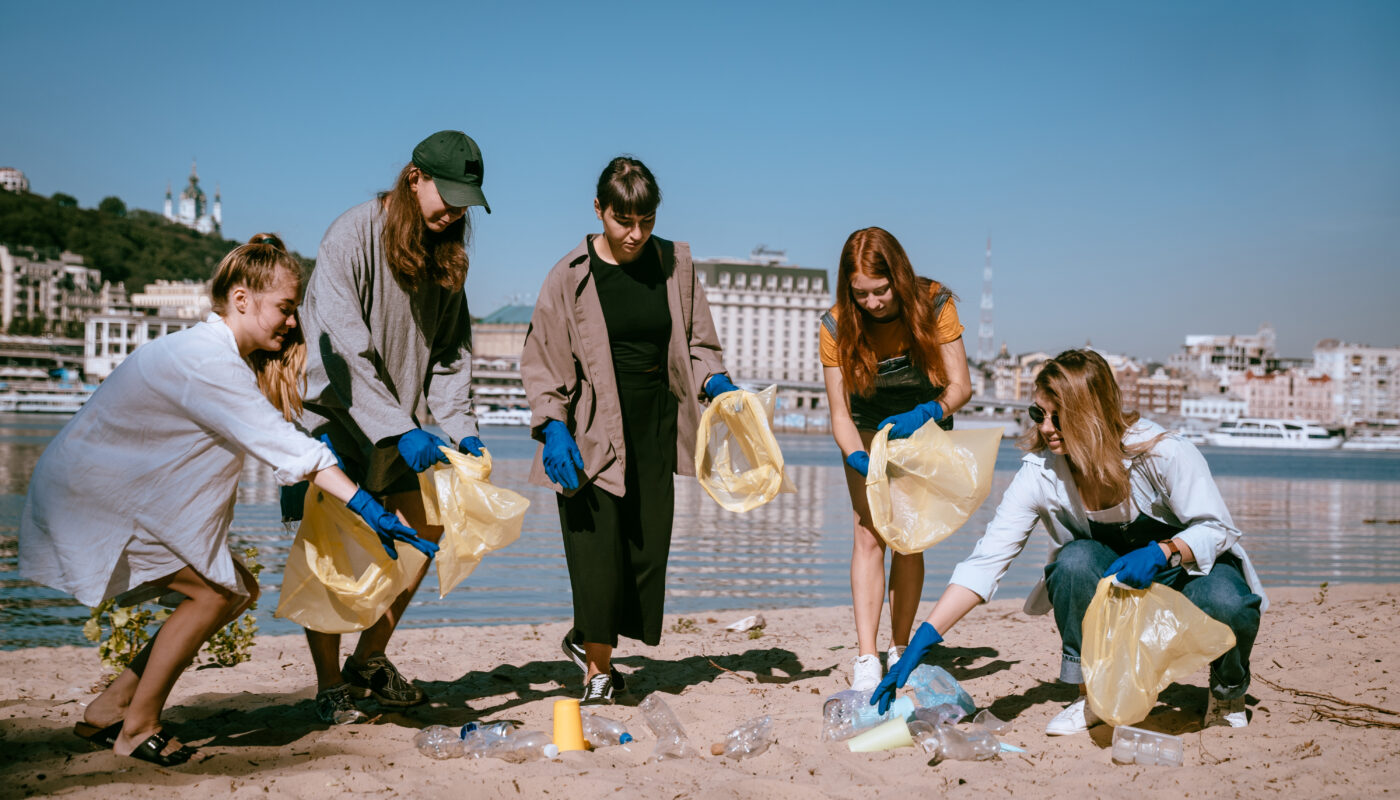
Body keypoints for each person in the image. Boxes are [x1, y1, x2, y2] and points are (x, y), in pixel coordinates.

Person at [18, 236, 434, 766]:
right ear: (241, 299)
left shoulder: (214, 355)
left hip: (99, 493)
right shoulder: (205, 360)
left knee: (237, 589)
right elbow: (285, 447)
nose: (290, 322)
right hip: (89, 501)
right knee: (214, 593)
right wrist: (369, 509)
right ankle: (136, 727)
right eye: (285, 308)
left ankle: (110, 707)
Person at [872, 349, 1267, 733]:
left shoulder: (1163, 452)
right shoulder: (1040, 472)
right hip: (1115, 586)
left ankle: (1228, 691)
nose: (1045, 428)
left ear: (1092, 413)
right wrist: (921, 642)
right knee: (1074, 561)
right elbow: (986, 562)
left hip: (1184, 573)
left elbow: (1219, 529)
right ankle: (1091, 694)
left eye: (1059, 417)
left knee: (1229, 602)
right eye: (1038, 414)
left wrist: (1165, 550)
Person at [289, 130, 490, 724]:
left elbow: (452, 352)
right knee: (333, 556)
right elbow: (344, 346)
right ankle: (329, 685)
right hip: (332, 418)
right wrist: (399, 426)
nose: (454, 211)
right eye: (446, 195)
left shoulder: (449, 255)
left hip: (399, 423)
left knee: (425, 530)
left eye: (465, 202)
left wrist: (462, 426)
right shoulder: (350, 236)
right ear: (413, 178)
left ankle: (368, 659)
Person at [521, 155, 735, 706]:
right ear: (599, 210)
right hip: (589, 426)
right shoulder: (567, 275)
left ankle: (583, 638)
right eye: (623, 221)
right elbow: (543, 357)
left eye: (646, 221)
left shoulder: (675, 263)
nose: (635, 235)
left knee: (643, 552)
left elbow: (700, 343)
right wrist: (552, 427)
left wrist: (719, 384)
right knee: (596, 550)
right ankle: (598, 671)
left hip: (656, 425)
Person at [820, 226, 972, 691]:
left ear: (899, 278)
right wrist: (856, 456)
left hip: (923, 421)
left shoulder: (935, 303)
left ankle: (900, 644)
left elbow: (960, 387)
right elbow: (839, 414)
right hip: (865, 422)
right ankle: (866, 656)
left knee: (909, 538)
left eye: (881, 290)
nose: (872, 303)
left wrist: (929, 412)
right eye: (860, 293)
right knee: (869, 533)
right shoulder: (834, 324)